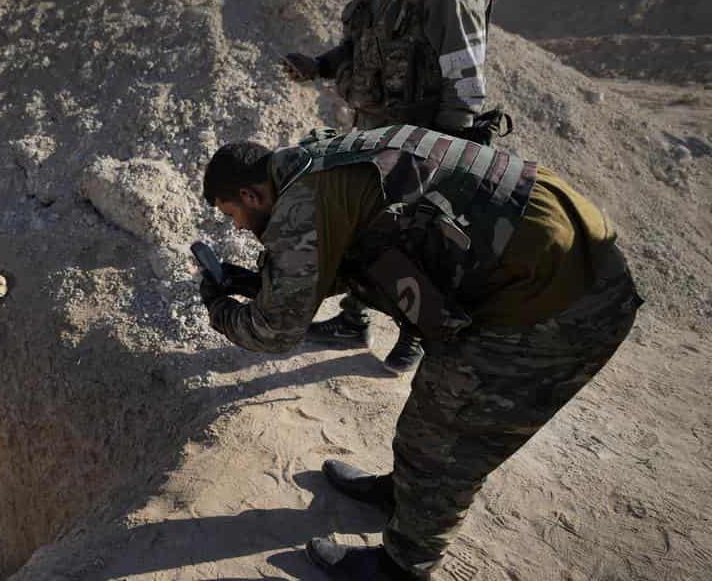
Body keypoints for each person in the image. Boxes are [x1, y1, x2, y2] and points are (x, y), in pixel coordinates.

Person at [197, 126, 642, 580]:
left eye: (232, 213)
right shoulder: (318, 161)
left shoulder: (299, 203)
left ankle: (402, 568)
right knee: (430, 414)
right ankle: (405, 497)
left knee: (446, 438)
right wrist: (259, 284)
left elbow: (275, 333)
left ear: (252, 195)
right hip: (552, 254)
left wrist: (218, 308)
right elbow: (348, 252)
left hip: (559, 300)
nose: (236, 226)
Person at [280, 0, 497, 374]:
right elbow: (361, 44)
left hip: (425, 137)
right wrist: (322, 64)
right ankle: (355, 319)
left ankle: (416, 335)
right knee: (365, 228)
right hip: (373, 128)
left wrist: (449, 149)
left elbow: (465, 68)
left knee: (417, 239)